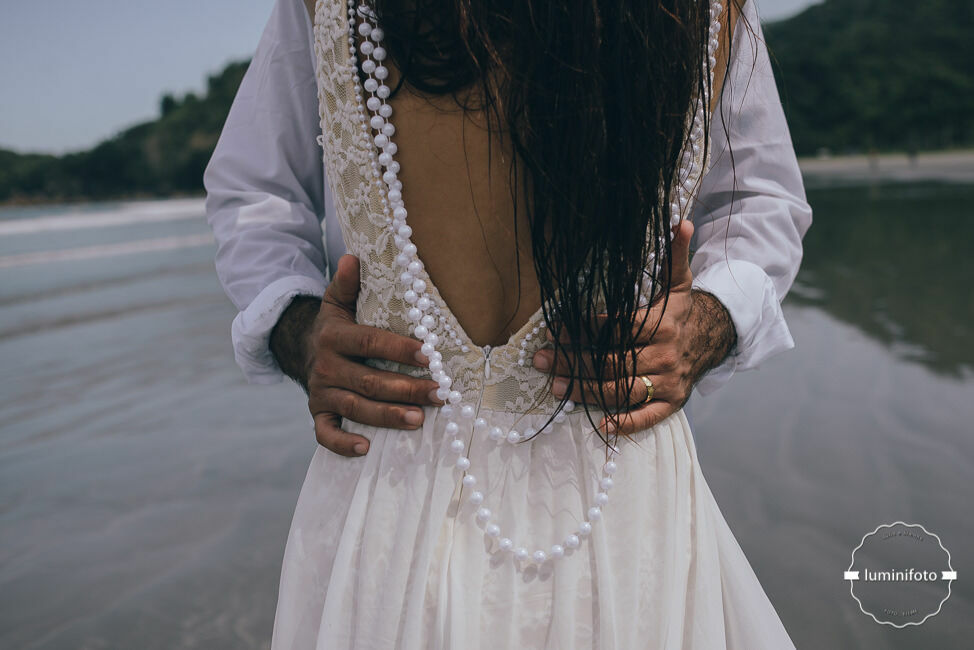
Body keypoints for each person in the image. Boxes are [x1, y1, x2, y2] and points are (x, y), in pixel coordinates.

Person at [205, 0, 811, 647]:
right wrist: (297, 329)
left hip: (593, 485)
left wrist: (708, 325)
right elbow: (257, 193)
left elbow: (758, 195)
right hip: (407, 485)